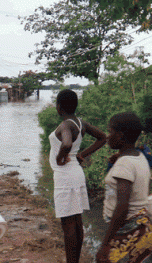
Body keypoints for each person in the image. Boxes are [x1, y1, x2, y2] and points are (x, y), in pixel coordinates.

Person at [49, 89, 107, 263]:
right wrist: (82, 155)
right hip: (76, 173)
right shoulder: (81, 123)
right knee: (77, 220)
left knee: (68, 224)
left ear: (59, 107)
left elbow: (66, 143)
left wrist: (60, 158)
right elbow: (103, 137)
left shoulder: (66, 125)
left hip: (65, 176)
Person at [96, 113, 152, 263]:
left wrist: (105, 244)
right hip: (140, 228)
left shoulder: (124, 164)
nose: (107, 136)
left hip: (125, 231)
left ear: (120, 136)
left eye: (110, 131)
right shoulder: (139, 157)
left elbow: (122, 206)